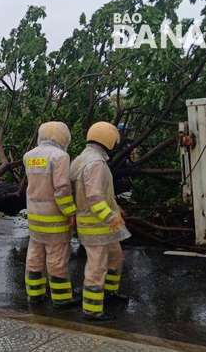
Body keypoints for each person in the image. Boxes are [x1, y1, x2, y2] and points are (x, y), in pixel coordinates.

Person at [70, 122, 131, 321]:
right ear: (107, 139)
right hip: (95, 225)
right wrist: (110, 216)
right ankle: (92, 309)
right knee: (97, 267)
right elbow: (94, 196)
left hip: (101, 224)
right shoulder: (95, 163)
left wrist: (115, 208)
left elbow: (102, 194)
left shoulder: (84, 158)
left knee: (115, 257)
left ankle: (109, 293)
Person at [22, 122, 78, 307]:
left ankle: (35, 294)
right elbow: (62, 190)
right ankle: (61, 299)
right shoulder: (60, 156)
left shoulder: (29, 156)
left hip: (34, 218)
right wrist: (71, 212)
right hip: (55, 219)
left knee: (35, 257)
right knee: (56, 259)